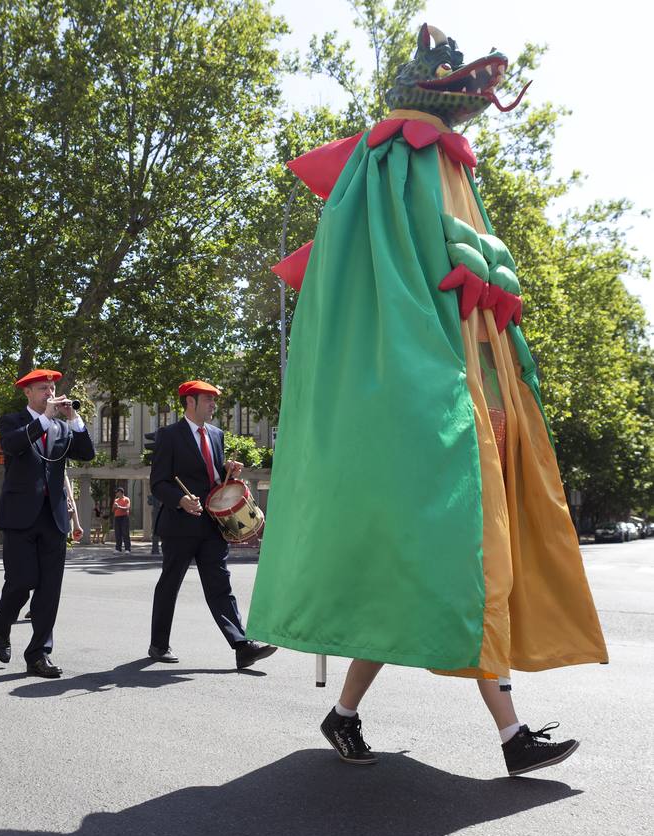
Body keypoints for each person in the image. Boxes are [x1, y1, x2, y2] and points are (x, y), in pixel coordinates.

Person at [246, 30, 607, 776]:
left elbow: (465, 281)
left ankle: (343, 714)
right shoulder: (402, 153)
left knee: (413, 590)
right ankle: (511, 738)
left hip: (475, 402)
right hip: (436, 418)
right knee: (463, 574)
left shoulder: (438, 160)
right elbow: (407, 282)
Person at [147, 380, 276, 669]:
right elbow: (158, 482)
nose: (213, 405)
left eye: (214, 400)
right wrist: (180, 500)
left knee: (220, 585)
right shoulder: (169, 435)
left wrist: (226, 470)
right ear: (190, 402)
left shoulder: (217, 435)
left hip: (212, 525)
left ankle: (242, 646)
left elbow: (212, 477)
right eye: (208, 400)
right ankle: (158, 644)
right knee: (170, 584)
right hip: (179, 524)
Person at [0, 369, 95, 679]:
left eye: (52, 388)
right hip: (20, 517)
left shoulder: (63, 428)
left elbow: (87, 453)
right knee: (21, 581)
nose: (49, 393)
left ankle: (38, 654)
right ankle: (1, 622)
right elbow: (12, 446)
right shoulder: (12, 421)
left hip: (53, 517)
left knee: (49, 590)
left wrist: (74, 418)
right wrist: (45, 419)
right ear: (27, 393)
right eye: (42, 389)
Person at [112, 486, 132, 552]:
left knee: (125, 533)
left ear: (120, 492)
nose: (116, 494)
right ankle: (118, 548)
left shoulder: (126, 499)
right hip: (117, 517)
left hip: (124, 517)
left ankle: (127, 549)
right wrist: (115, 507)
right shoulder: (116, 500)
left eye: (117, 492)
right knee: (118, 533)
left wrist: (119, 506)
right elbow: (113, 510)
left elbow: (127, 508)